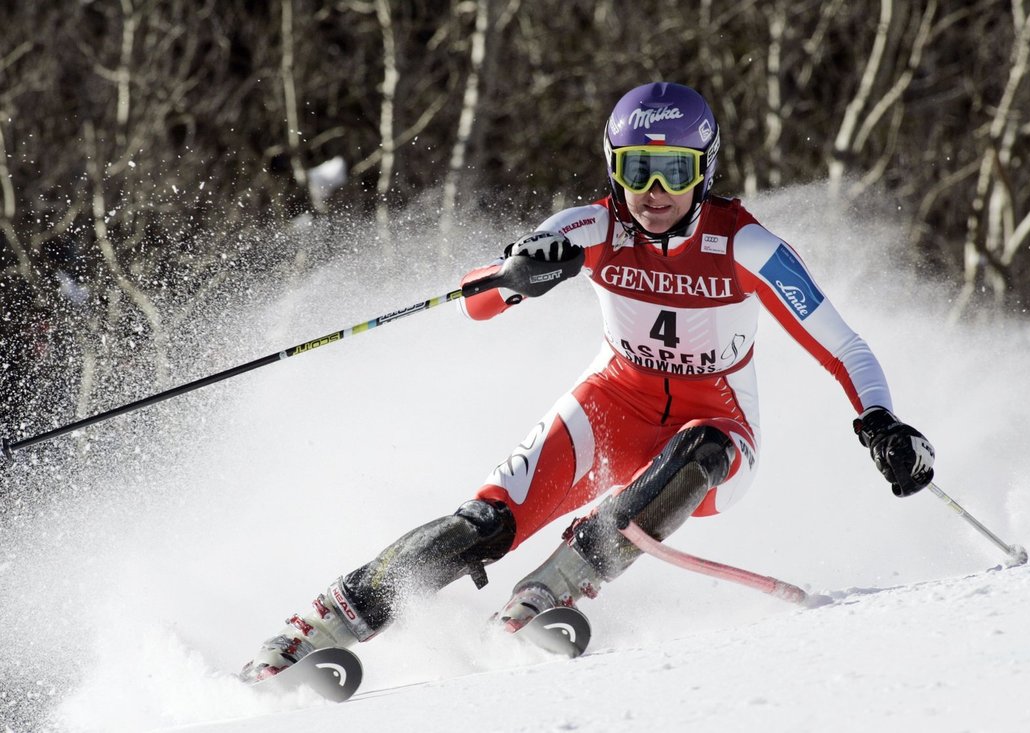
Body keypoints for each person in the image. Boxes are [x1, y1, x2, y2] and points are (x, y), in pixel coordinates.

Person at [239, 81, 935, 680]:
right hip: (609, 406)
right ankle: (315, 630)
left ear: (705, 169)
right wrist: (523, 270)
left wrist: (881, 421)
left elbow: (842, 344)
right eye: (637, 170)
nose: (654, 192)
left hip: (716, 429)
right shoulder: (595, 225)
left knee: (703, 447)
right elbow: (483, 300)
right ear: (614, 168)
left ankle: (551, 590)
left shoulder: (744, 245)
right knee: (483, 522)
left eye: (673, 170)